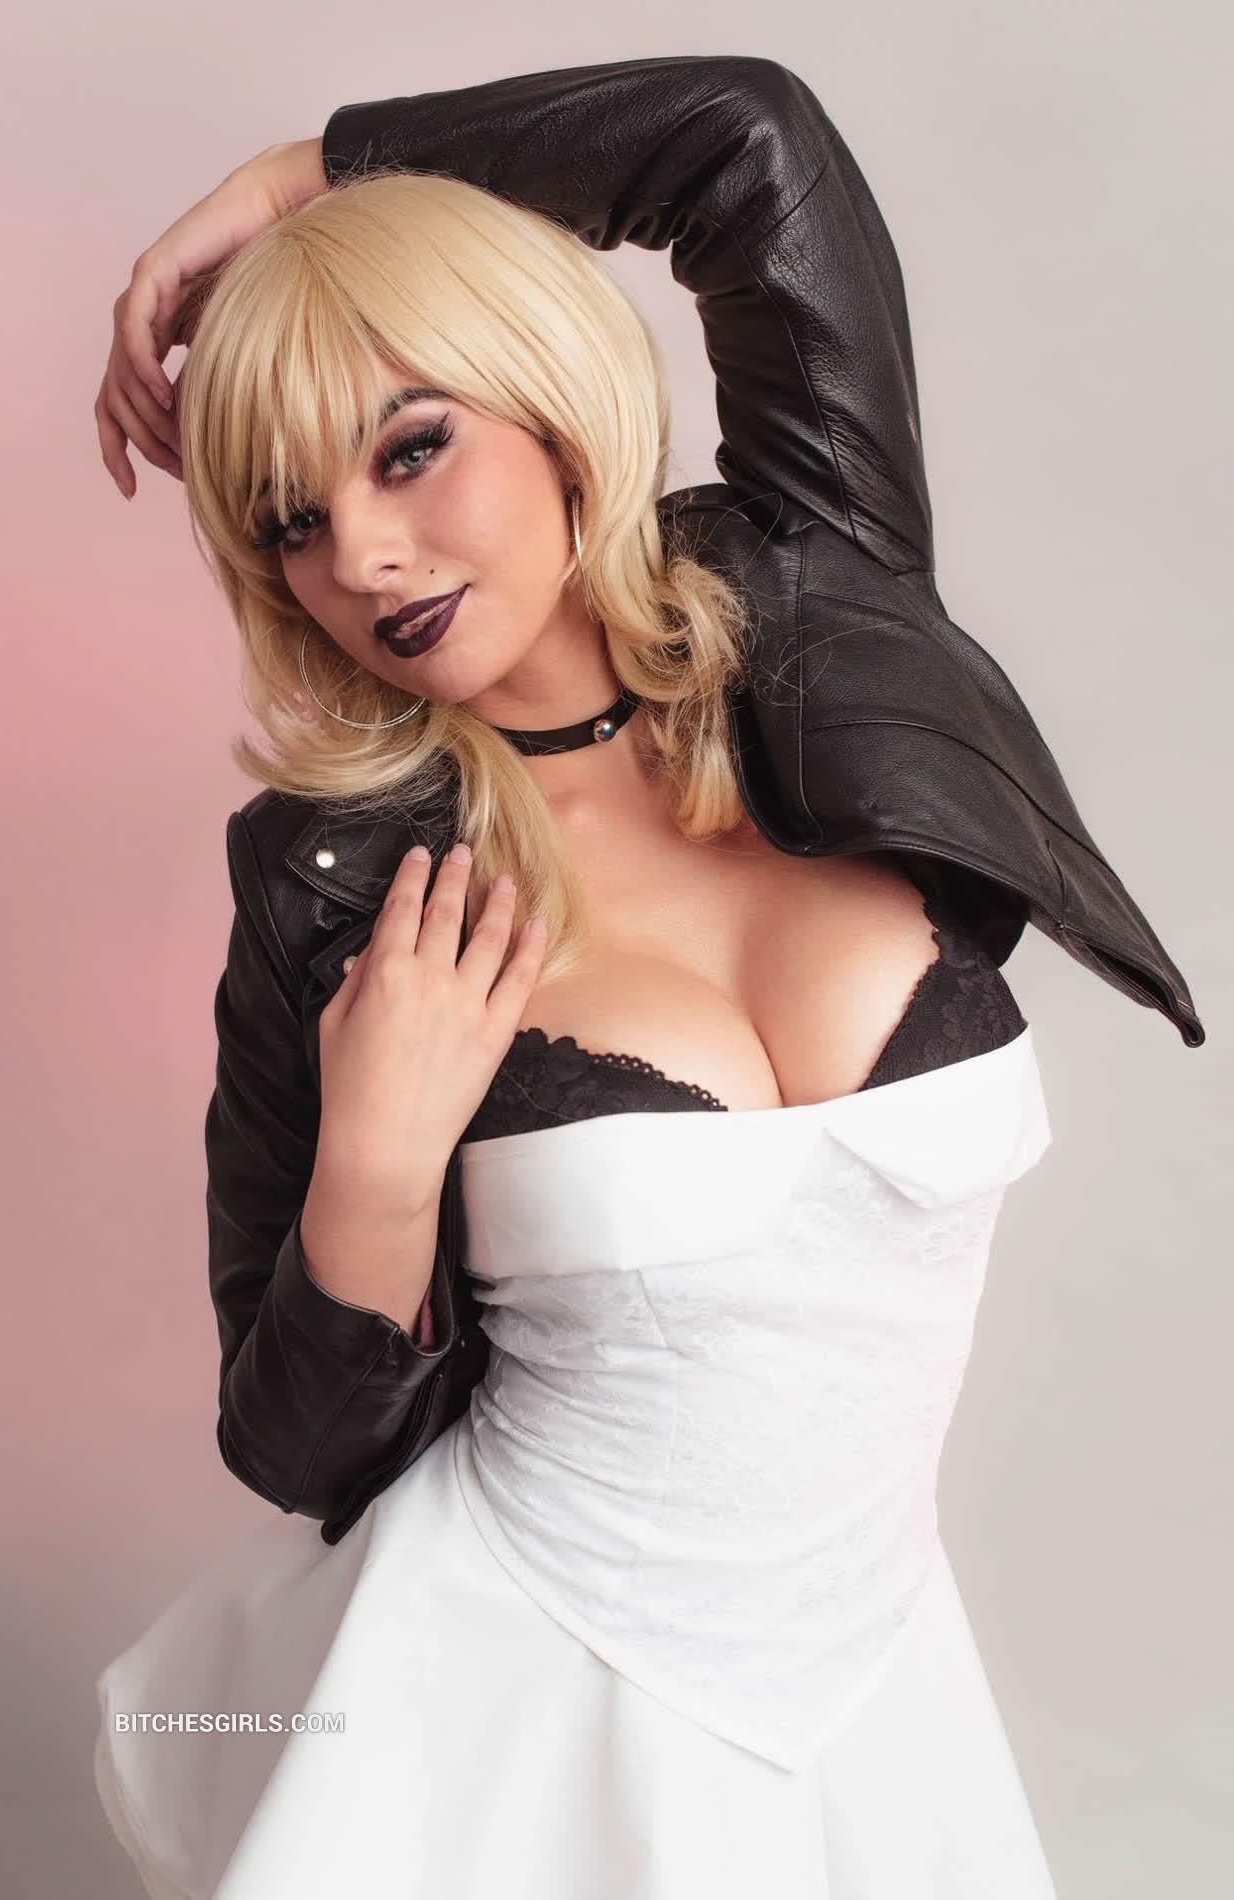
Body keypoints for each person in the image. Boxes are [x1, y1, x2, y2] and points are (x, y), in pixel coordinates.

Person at [92, 56, 1203, 1900]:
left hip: (866, 1697)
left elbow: (744, 136)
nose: (361, 554)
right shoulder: (336, 875)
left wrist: (304, 176)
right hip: (516, 1709)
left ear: (548, 403)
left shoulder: (821, 597)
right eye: (290, 521)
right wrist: (375, 1167)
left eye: (410, 445)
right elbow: (291, 1444)